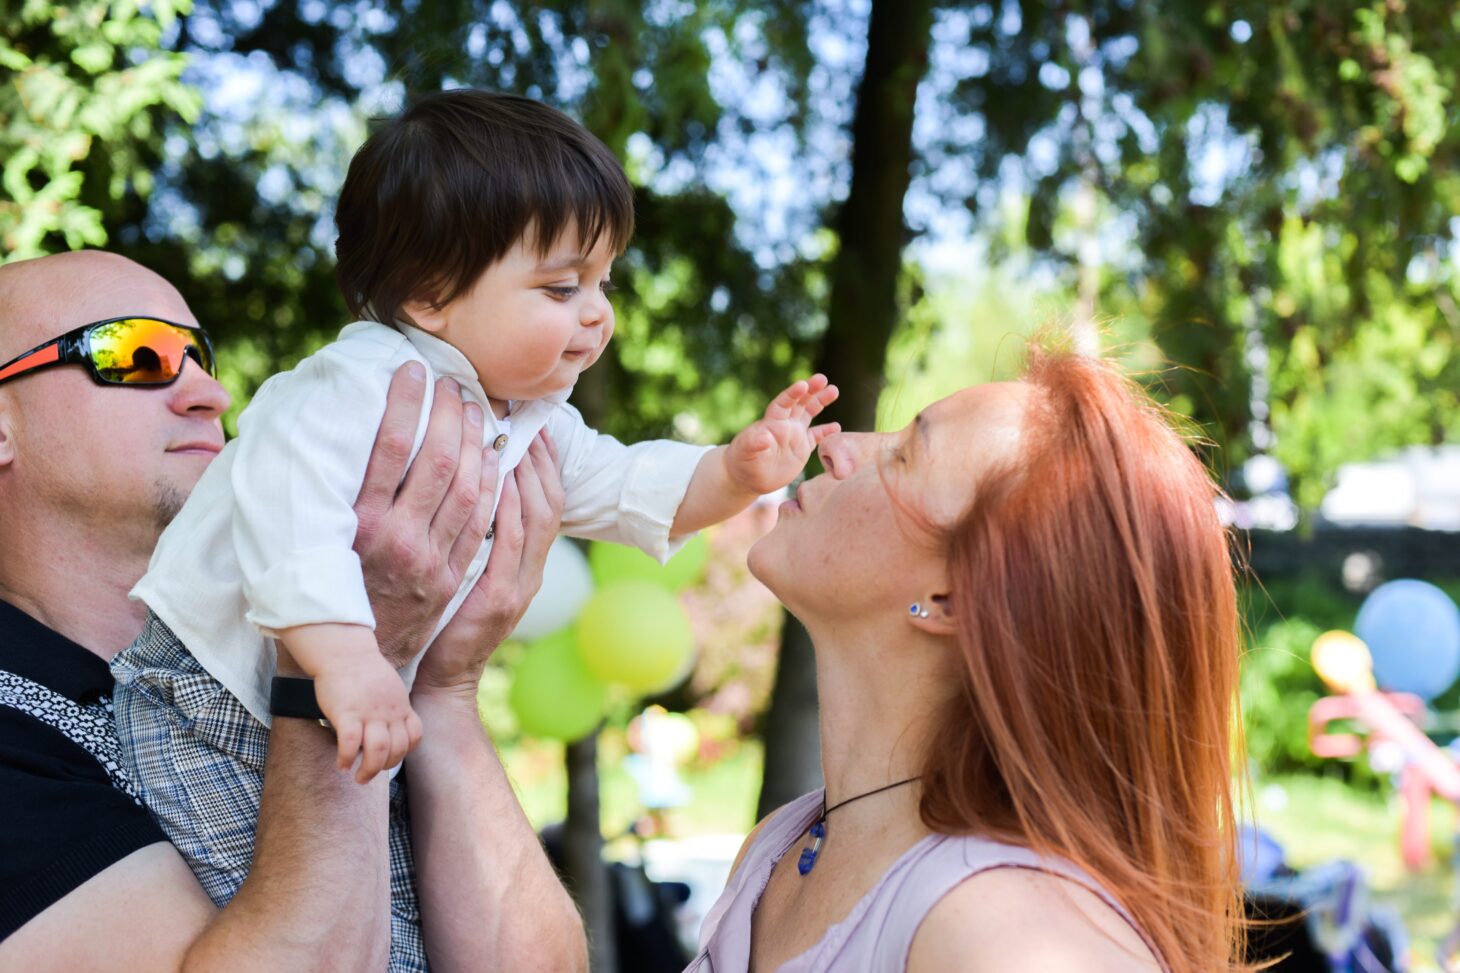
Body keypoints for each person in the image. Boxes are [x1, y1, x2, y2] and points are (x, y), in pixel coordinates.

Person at [113, 89, 839, 918]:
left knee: (361, 910)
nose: (599, 313)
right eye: (562, 287)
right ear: (429, 295)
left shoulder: (530, 420)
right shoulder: (359, 382)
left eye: (604, 282)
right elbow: (289, 507)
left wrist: (734, 471)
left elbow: (628, 487)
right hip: (199, 694)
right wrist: (351, 661)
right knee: (267, 906)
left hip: (333, 701)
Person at [0, 249, 586, 971]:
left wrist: (443, 687)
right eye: (136, 354)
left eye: (199, 356)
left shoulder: (341, 641)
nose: (208, 394)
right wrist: (322, 679)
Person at [691, 344, 1243, 972]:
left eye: (903, 454)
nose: (837, 445)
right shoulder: (776, 849)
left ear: (955, 597)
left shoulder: (1009, 935)